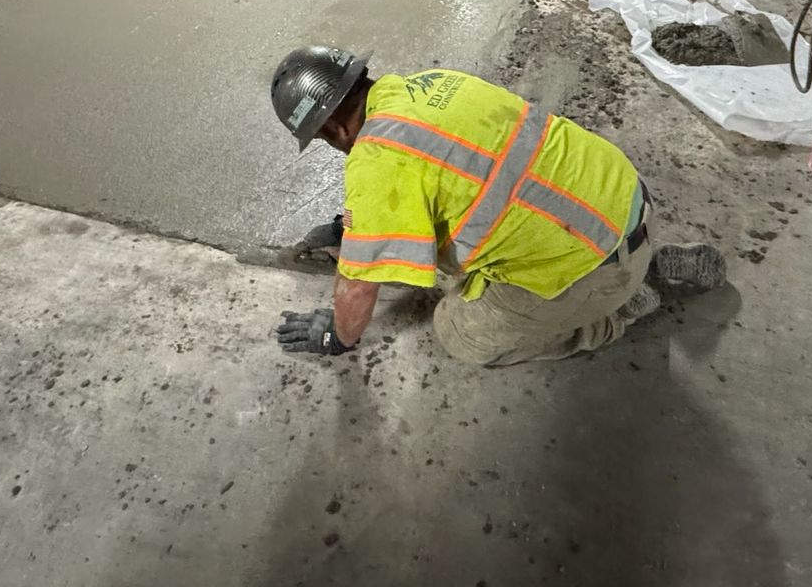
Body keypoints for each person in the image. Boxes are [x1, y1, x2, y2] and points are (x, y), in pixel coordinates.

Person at [269, 46, 726, 365]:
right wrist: (357, 224)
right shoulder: (431, 84)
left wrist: (337, 336)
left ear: (332, 133)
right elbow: (453, 170)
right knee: (456, 255)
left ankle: (620, 309)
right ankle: (642, 265)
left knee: (458, 331)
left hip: (592, 266)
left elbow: (358, 287)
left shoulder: (375, 161)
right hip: (622, 198)